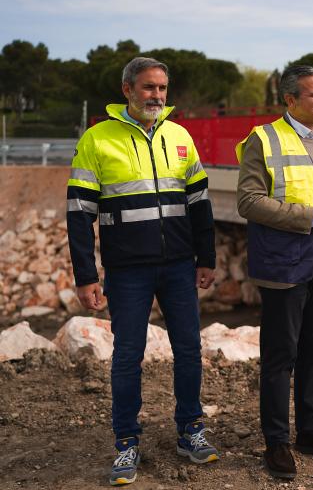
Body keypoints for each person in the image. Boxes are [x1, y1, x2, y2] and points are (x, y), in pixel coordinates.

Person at [66, 56, 219, 486]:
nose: (157, 96)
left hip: (178, 265)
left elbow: (200, 204)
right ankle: (126, 442)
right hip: (127, 270)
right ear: (127, 90)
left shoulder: (180, 137)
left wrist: (205, 257)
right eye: (149, 88)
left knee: (189, 350)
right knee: (127, 357)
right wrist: (85, 275)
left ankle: (190, 429)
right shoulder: (97, 140)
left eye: (162, 88)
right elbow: (79, 213)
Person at [236, 64, 313, 479]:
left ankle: (309, 430)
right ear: (290, 100)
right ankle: (276, 442)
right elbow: (249, 202)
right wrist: (310, 216)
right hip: (284, 265)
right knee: (279, 356)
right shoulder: (263, 139)